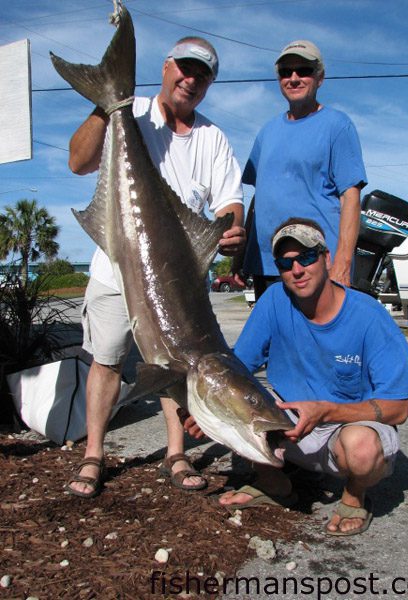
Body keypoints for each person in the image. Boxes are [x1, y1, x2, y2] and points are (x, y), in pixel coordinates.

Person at [67, 36, 245, 498]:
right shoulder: (131, 110)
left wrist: (233, 229)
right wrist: (109, 104)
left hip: (178, 281)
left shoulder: (212, 138)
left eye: (202, 74)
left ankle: (176, 452)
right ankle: (93, 454)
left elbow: (230, 202)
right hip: (114, 266)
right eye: (184, 68)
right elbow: (78, 162)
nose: (191, 79)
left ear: (209, 84)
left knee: (175, 365)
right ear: (166, 68)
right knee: (105, 361)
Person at [198, 217, 408, 535]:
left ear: (326, 258)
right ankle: (274, 484)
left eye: (306, 257)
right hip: (290, 429)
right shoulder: (274, 301)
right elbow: (236, 369)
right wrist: (201, 406)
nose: (297, 270)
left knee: (361, 449)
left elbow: (399, 408)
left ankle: (354, 496)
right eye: (286, 263)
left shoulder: (368, 315)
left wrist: (327, 411)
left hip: (344, 430)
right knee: (228, 401)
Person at [236, 40, 367, 299]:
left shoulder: (337, 126)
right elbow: (257, 199)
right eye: (286, 72)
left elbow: (350, 197)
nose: (294, 78)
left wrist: (342, 263)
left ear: (320, 77)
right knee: (275, 339)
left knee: (317, 340)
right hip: (267, 264)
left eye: (303, 70)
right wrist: (240, 255)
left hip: (313, 264)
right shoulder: (267, 132)